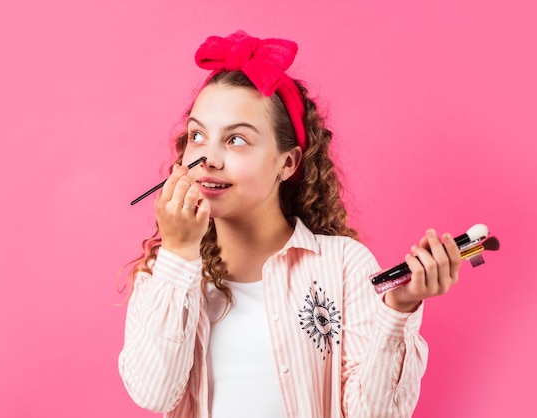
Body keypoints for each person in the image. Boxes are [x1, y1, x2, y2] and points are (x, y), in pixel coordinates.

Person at [118, 31, 462, 418]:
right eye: (198, 135)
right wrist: (179, 254)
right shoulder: (164, 275)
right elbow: (154, 394)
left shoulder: (344, 266)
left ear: (288, 163)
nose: (208, 159)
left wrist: (399, 308)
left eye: (236, 140)